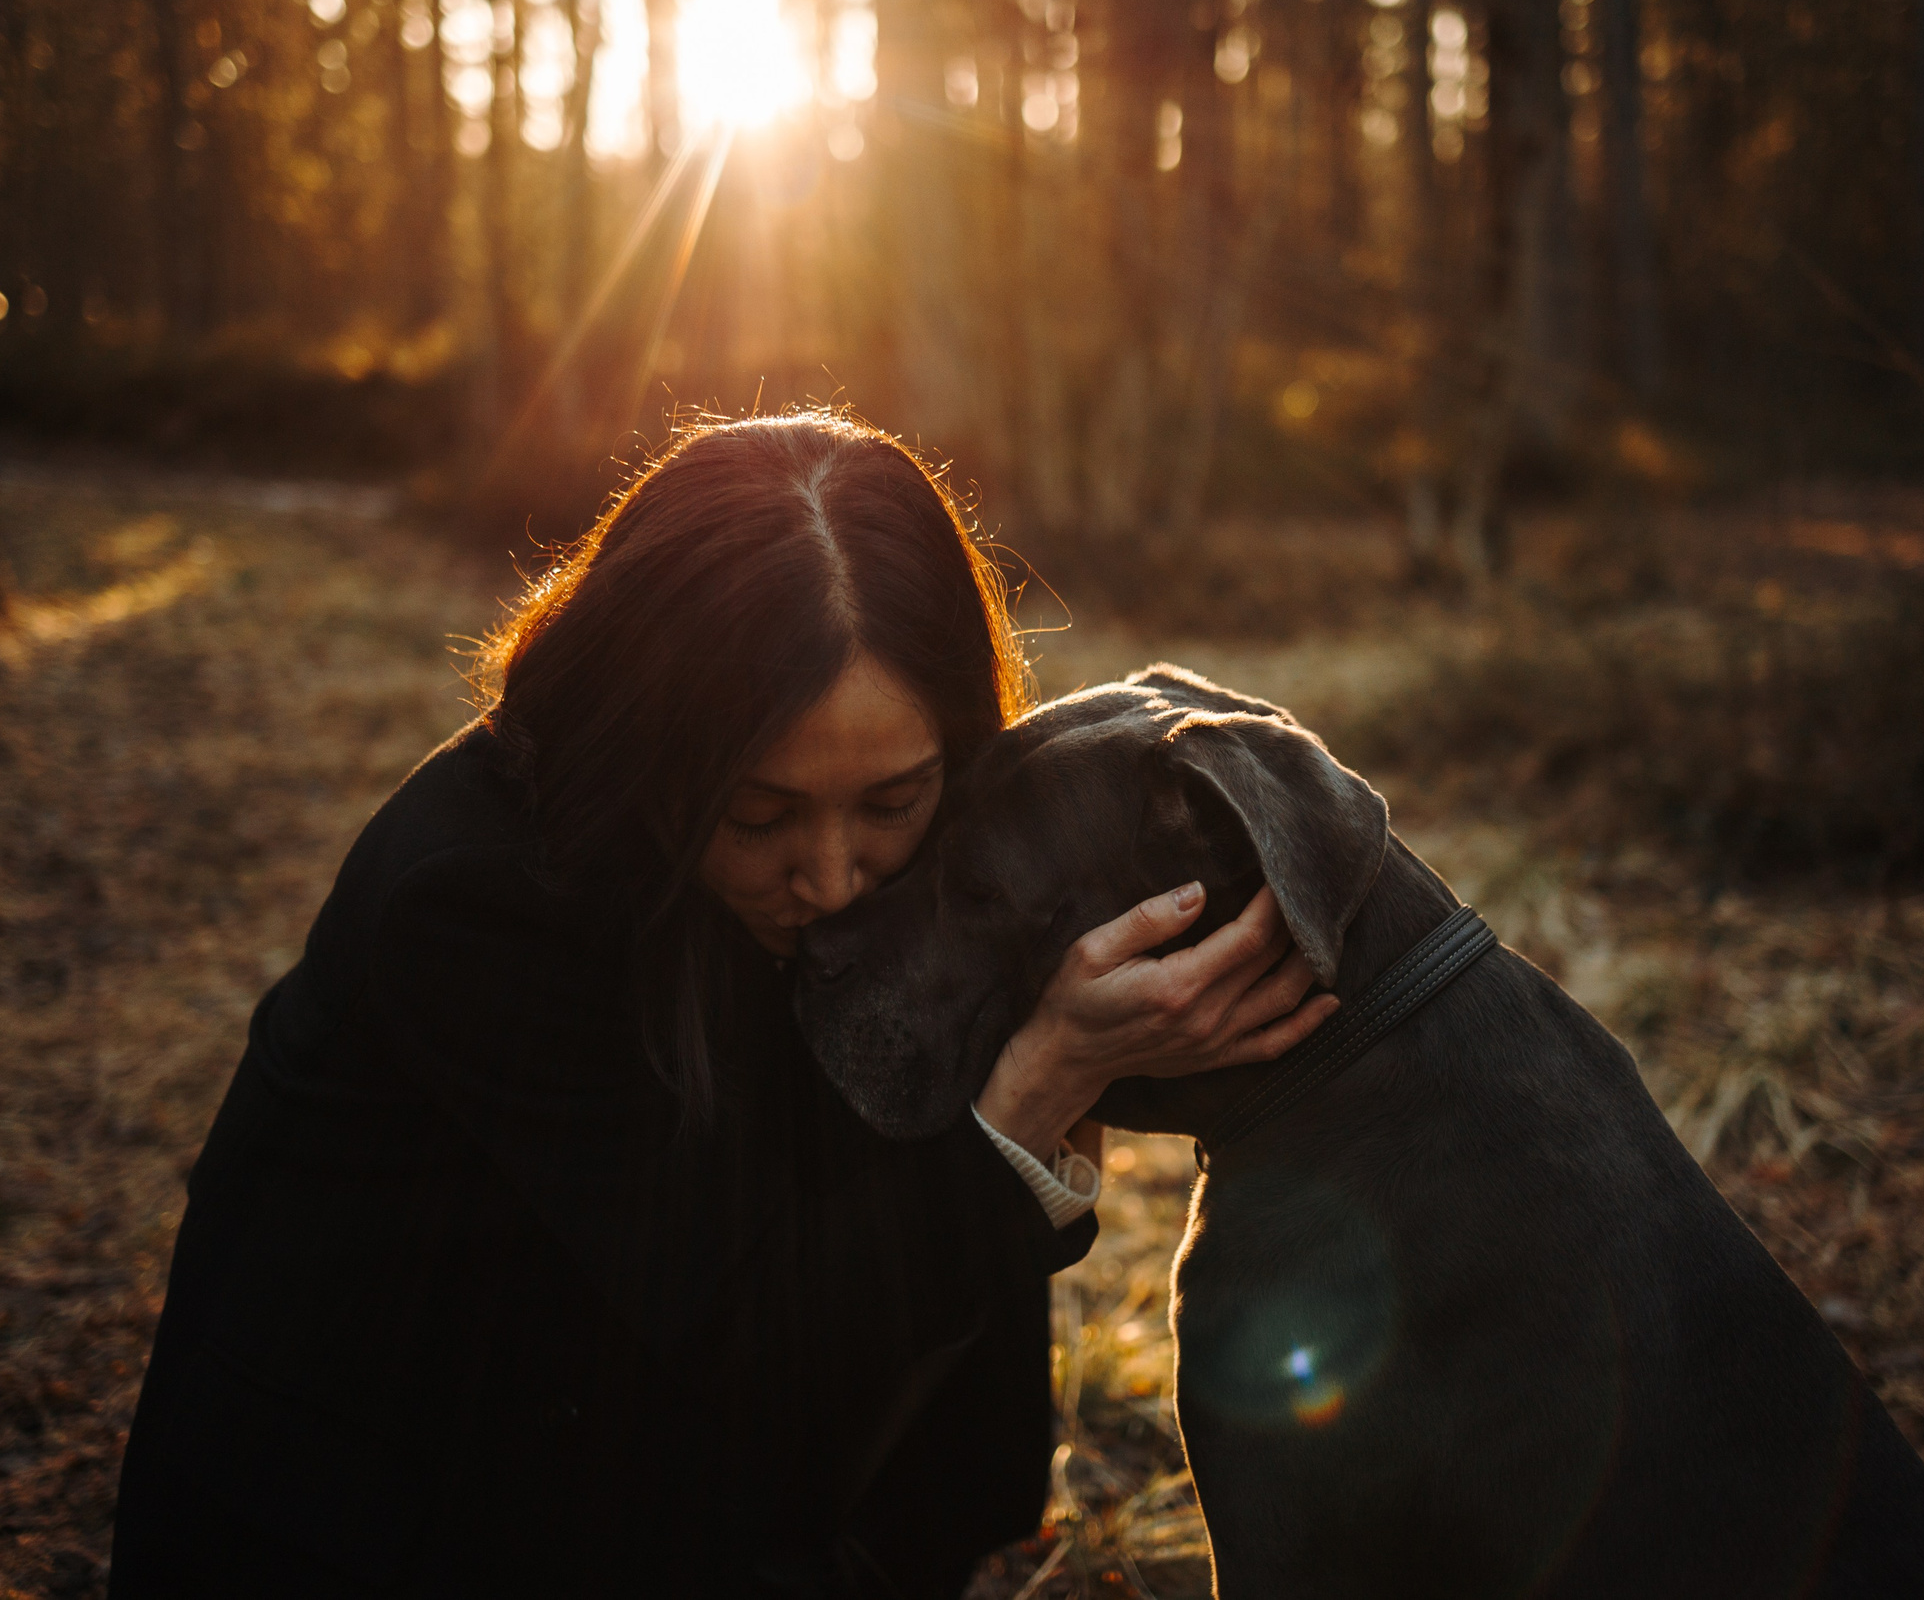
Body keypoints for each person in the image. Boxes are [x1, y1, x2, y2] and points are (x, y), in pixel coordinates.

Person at [108, 412, 1336, 1598]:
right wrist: (1035, 1086)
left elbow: (920, 1231)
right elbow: (748, 1337)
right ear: (652, 740)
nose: (833, 874)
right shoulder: (476, 902)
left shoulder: (889, 880)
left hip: (644, 1472)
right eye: (758, 815)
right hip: (400, 1526)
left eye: (895, 801)